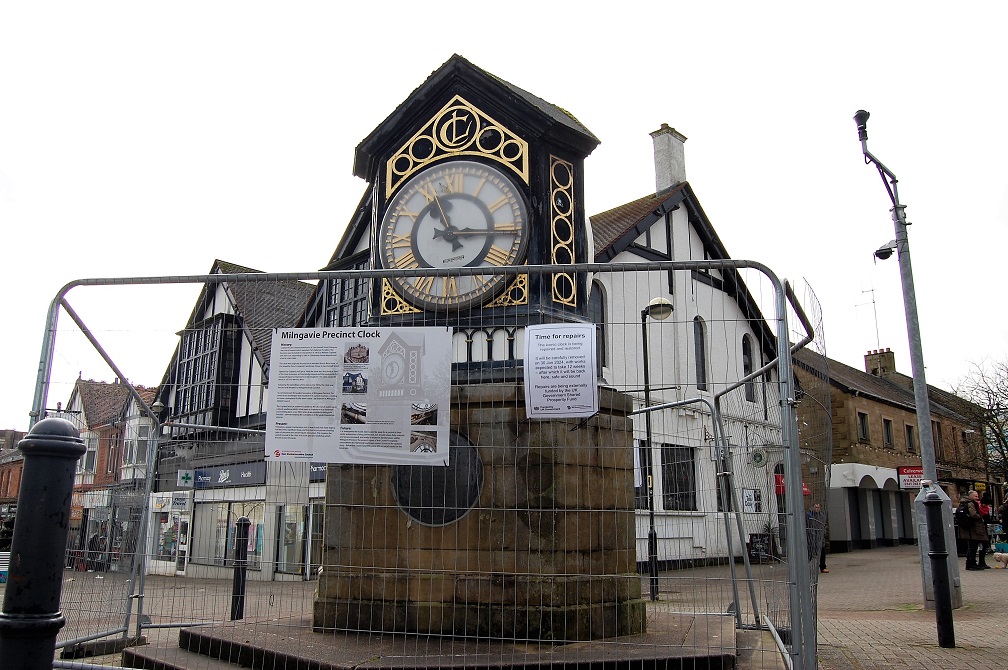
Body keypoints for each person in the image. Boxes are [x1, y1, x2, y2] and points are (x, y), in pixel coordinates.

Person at [961, 490, 990, 570]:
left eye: (977, 496)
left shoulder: (966, 503)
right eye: (976, 496)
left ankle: (972, 563)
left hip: (972, 529)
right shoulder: (970, 504)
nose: (977, 498)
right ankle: (972, 564)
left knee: (973, 546)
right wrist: (980, 516)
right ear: (970, 496)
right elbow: (973, 514)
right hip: (975, 528)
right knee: (974, 546)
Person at [806, 502, 828, 573]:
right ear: (812, 507)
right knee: (810, 553)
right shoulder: (809, 515)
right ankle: (805, 566)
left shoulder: (822, 516)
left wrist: (823, 532)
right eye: (816, 507)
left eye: (818, 507)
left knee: (822, 552)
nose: (817, 509)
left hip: (820, 537)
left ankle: (823, 567)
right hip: (811, 537)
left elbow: (824, 525)